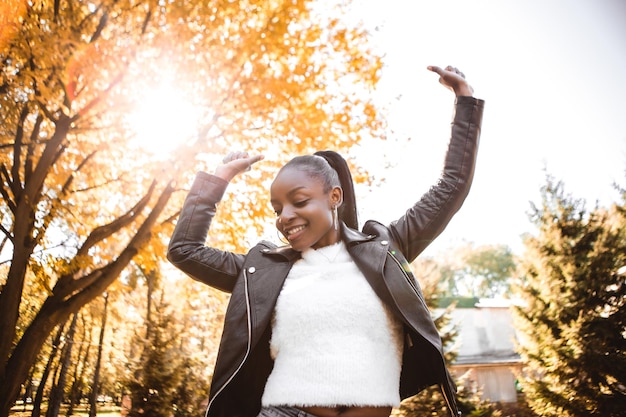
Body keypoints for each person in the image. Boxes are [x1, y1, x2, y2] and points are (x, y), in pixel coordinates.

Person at [167, 65, 484, 417]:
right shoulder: (267, 270)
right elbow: (185, 251)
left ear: (335, 197)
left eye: (299, 201)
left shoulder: (384, 250)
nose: (284, 215)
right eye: (278, 207)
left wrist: (465, 101)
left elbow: (451, 186)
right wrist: (218, 178)